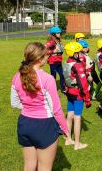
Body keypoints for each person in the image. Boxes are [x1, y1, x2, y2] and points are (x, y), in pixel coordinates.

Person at [11, 42, 68, 170]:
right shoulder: (47, 79)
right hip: (44, 125)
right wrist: (65, 129)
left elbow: (14, 102)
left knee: (29, 165)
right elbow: (56, 109)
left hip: (24, 123)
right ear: (39, 58)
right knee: (45, 167)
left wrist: (29, 107)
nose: (48, 57)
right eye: (46, 55)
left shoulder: (17, 76)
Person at [63, 42, 91, 150]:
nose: (81, 54)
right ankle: (77, 144)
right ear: (75, 54)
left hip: (69, 92)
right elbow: (83, 83)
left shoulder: (67, 62)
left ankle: (68, 139)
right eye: (79, 52)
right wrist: (87, 98)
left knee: (70, 114)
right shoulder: (77, 65)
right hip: (77, 93)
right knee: (77, 117)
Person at [45, 26, 65, 92]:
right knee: (53, 76)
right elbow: (44, 50)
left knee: (62, 75)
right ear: (53, 34)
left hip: (59, 60)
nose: (59, 34)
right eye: (58, 33)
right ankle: (52, 90)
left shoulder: (58, 41)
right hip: (53, 61)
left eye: (59, 33)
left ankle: (63, 89)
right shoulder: (51, 42)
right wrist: (53, 51)